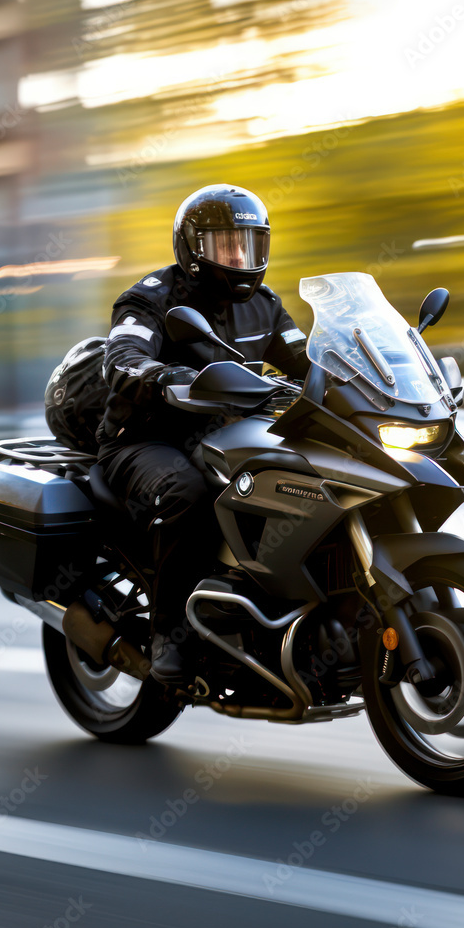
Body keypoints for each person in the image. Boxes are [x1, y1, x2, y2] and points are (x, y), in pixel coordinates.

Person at [97, 184, 310, 685]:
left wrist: (368, 372)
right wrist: (163, 377)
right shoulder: (149, 299)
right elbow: (121, 358)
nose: (239, 256)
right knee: (189, 493)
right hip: (145, 437)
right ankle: (170, 636)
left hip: (224, 431)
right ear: (192, 249)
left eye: (250, 244)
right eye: (225, 245)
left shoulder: (265, 305)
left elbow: (309, 362)